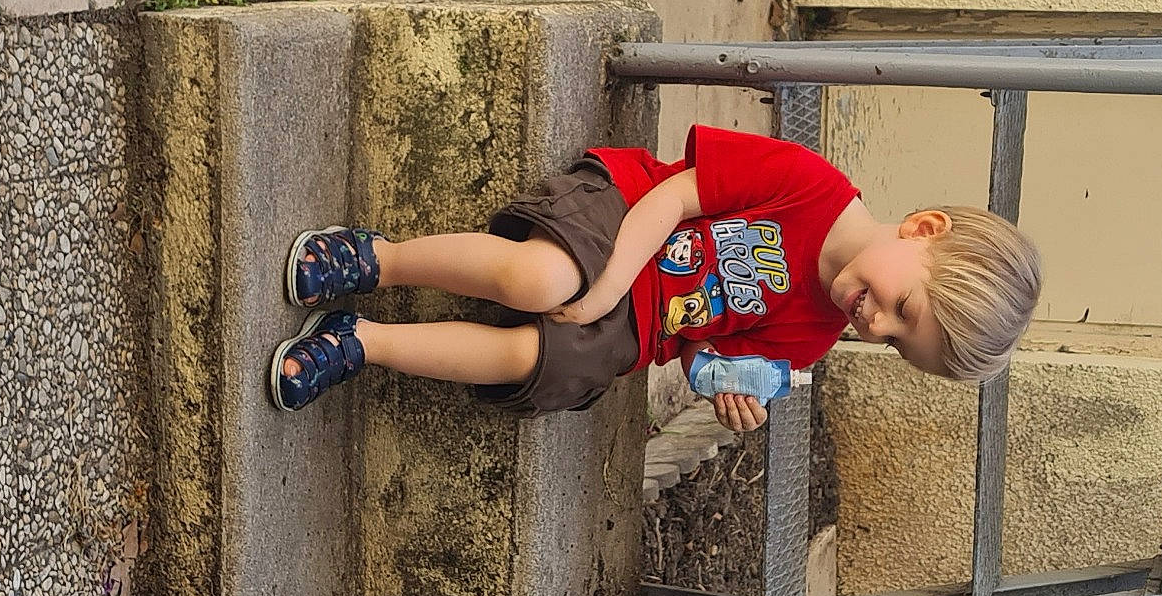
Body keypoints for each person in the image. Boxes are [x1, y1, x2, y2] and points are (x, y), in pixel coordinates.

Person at [268, 124, 1042, 429]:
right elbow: (678, 194)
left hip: (641, 329)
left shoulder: (814, 339)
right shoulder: (811, 185)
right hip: (633, 218)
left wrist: (731, 391)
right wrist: (604, 286)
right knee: (542, 281)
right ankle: (378, 259)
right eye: (906, 306)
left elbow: (709, 353)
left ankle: (359, 341)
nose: (878, 324)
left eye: (900, 342)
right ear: (924, 230)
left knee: (528, 360)